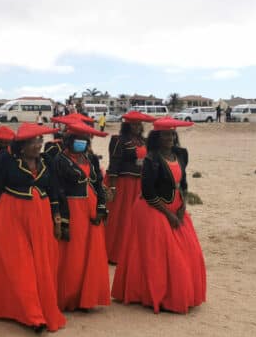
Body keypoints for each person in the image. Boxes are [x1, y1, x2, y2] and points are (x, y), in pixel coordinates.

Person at [113, 120, 206, 313]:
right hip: (152, 209)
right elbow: (147, 192)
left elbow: (184, 182)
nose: (169, 138)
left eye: (172, 135)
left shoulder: (181, 154)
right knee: (161, 255)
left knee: (189, 251)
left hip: (176, 207)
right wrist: (168, 215)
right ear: (157, 137)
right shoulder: (151, 159)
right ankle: (157, 295)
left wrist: (182, 206)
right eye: (165, 135)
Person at [0, 123, 66, 333]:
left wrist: (58, 219)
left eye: (39, 141)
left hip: (41, 220)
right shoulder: (6, 160)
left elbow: (54, 191)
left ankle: (39, 307)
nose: (38, 145)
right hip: (11, 218)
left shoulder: (46, 160)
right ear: (22, 145)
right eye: (33, 141)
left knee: (41, 265)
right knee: (21, 266)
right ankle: (33, 315)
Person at [52, 121, 111, 312]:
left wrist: (101, 207)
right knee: (73, 254)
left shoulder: (90, 159)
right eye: (78, 140)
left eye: (84, 140)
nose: (82, 143)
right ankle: (69, 297)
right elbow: (58, 190)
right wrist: (62, 218)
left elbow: (99, 184)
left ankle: (87, 296)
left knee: (90, 252)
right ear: (69, 141)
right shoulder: (60, 160)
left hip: (91, 208)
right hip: (72, 209)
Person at [105, 111, 154, 264]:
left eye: (139, 124)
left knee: (137, 218)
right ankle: (115, 253)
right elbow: (114, 163)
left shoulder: (144, 141)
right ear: (126, 125)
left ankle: (132, 253)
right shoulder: (118, 140)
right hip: (123, 183)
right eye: (133, 124)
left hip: (139, 183)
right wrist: (112, 187)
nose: (137, 127)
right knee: (121, 218)